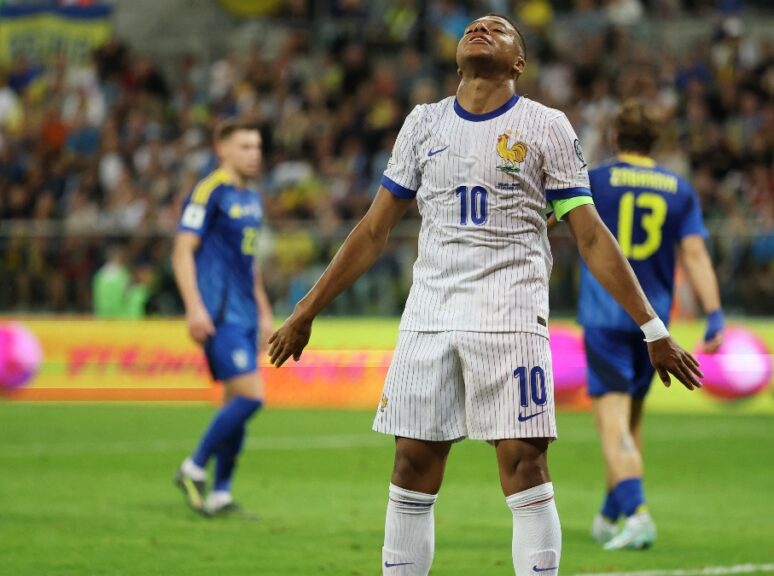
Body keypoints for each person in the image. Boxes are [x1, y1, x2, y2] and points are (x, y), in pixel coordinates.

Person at [267, 15, 703, 576]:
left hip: (512, 316)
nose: (482, 29)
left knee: (524, 465)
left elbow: (590, 233)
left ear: (518, 62)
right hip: (429, 317)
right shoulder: (423, 124)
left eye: (498, 28)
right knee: (410, 465)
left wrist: (654, 328)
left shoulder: (546, 126)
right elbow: (373, 230)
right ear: (455, 56)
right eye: (474, 26)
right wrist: (306, 310)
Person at [576, 101, 724, 551]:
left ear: (616, 138)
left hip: (606, 316)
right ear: (655, 141)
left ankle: (638, 514)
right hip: (654, 325)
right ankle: (610, 512)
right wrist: (714, 313)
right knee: (632, 419)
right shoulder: (677, 189)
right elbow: (695, 255)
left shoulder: (596, 180)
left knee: (613, 424)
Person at [171, 120, 274, 516]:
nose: (254, 153)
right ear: (222, 149)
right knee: (251, 396)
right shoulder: (209, 191)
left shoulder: (253, 199)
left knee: (236, 403)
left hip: (246, 314)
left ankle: (221, 492)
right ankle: (193, 465)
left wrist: (265, 315)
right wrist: (194, 307)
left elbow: (251, 267)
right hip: (218, 312)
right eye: (245, 146)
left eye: (258, 145)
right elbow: (182, 250)